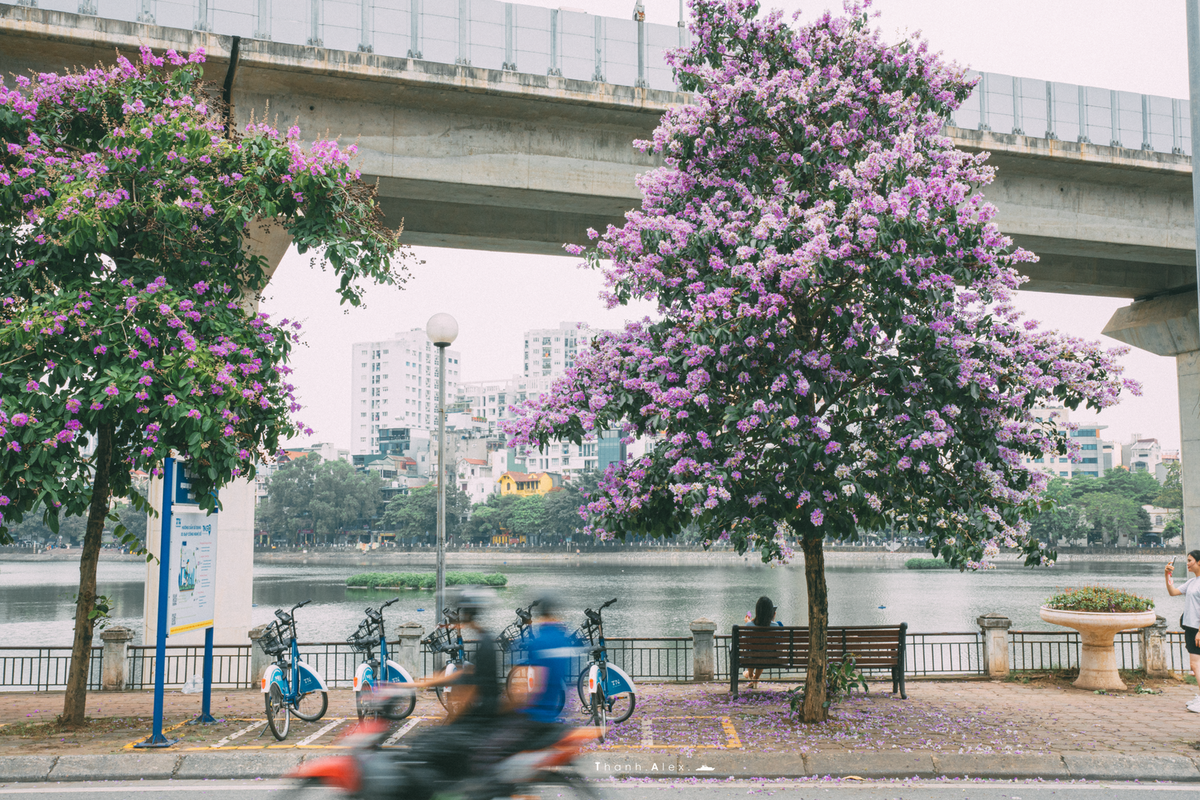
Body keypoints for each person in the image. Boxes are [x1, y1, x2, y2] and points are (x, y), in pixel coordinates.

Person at [1166, 551, 1200, 711]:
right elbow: (1173, 592)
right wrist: (1167, 575)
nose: (1187, 564)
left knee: (1195, 665)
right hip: (1190, 626)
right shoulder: (1192, 582)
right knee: (1196, 665)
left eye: (1190, 560)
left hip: (1197, 629)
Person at [743, 595, 780, 690]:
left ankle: (751, 676)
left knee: (753, 652)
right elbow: (778, 645)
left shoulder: (749, 625)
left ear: (757, 611)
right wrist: (773, 620)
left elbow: (744, 643)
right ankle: (755, 678)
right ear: (771, 612)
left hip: (751, 658)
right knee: (763, 652)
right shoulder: (775, 626)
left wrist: (748, 623)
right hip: (769, 659)